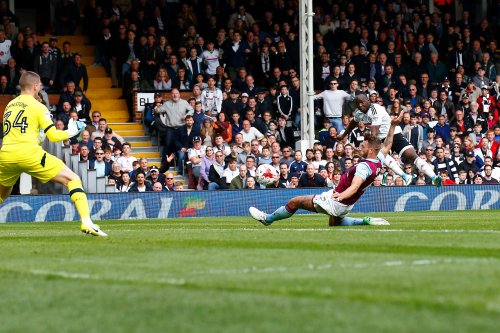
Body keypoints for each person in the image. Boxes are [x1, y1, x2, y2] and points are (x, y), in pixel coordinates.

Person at [0, 71, 106, 236]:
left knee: (3, 193)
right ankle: (86, 222)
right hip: (30, 154)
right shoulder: (38, 106)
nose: (40, 88)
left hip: (6, 155)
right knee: (73, 179)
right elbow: (54, 136)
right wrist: (71, 131)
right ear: (35, 86)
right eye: (40, 85)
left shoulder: (10, 105)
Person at [249, 113, 403, 227]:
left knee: (295, 201)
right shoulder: (378, 159)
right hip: (346, 203)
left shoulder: (364, 167)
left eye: (363, 146)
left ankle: (267, 219)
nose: (359, 147)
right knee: (334, 224)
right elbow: (388, 144)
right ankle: (365, 221)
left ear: (370, 150)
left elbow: (355, 186)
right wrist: (393, 126)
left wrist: (340, 196)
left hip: (337, 200)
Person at [338, 94, 442, 187]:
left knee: (411, 155)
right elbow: (353, 123)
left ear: (367, 102)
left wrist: (364, 146)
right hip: (381, 138)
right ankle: (405, 176)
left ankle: (434, 178)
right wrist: (344, 135)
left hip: (393, 133)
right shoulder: (359, 112)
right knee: (380, 154)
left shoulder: (375, 110)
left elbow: (374, 133)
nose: (361, 105)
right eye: (358, 104)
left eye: (363, 103)